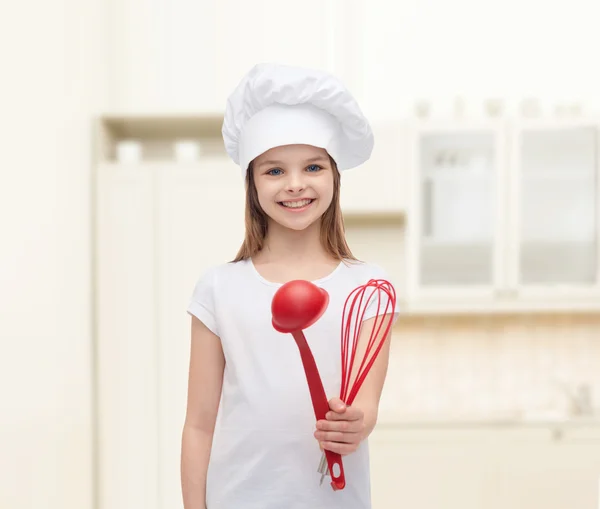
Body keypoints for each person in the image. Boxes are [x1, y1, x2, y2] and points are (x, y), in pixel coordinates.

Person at [181, 62, 400, 509]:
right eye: (274, 171)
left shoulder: (368, 288)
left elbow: (367, 406)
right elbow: (199, 425)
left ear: (335, 177)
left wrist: (355, 423)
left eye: (313, 166)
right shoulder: (218, 289)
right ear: (252, 183)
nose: (295, 184)